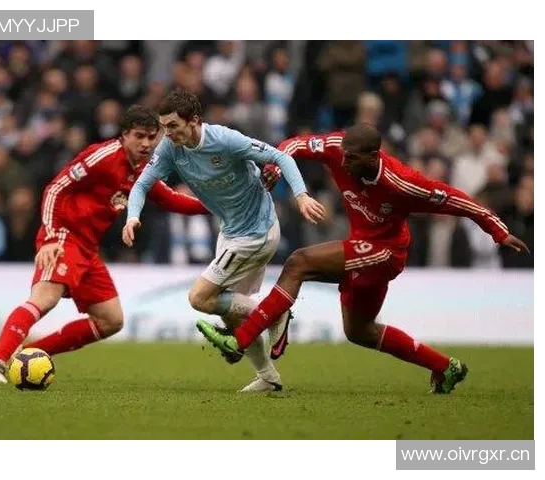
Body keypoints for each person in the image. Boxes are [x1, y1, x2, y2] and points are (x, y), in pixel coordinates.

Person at [196, 123, 530, 394]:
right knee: (359, 331)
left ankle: (241, 339)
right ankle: (445, 367)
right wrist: (274, 166)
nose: (343, 163)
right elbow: (294, 145)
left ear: (372, 156)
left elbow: (456, 200)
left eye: (351, 158)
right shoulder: (338, 147)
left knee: (298, 262)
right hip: (359, 247)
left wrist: (498, 231)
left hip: (386, 253)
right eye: (343, 155)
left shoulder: (402, 183)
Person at [0, 105, 213, 384]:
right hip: (64, 236)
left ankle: (28, 353)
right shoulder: (104, 156)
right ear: (125, 134)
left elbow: (170, 199)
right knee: (45, 299)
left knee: (110, 320)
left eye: (152, 137)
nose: (146, 143)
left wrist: (217, 205)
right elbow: (55, 188)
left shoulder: (142, 170)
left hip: (87, 248)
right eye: (139, 136)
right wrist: (50, 237)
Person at [122, 89, 326, 392]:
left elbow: (280, 156)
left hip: (257, 231)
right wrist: (132, 217)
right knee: (229, 312)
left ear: (194, 121)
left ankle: (274, 313)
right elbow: (141, 185)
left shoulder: (225, 139)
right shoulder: (170, 148)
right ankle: (268, 376)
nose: (167, 133)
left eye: (173, 125)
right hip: (230, 231)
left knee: (199, 298)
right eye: (164, 127)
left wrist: (301, 195)